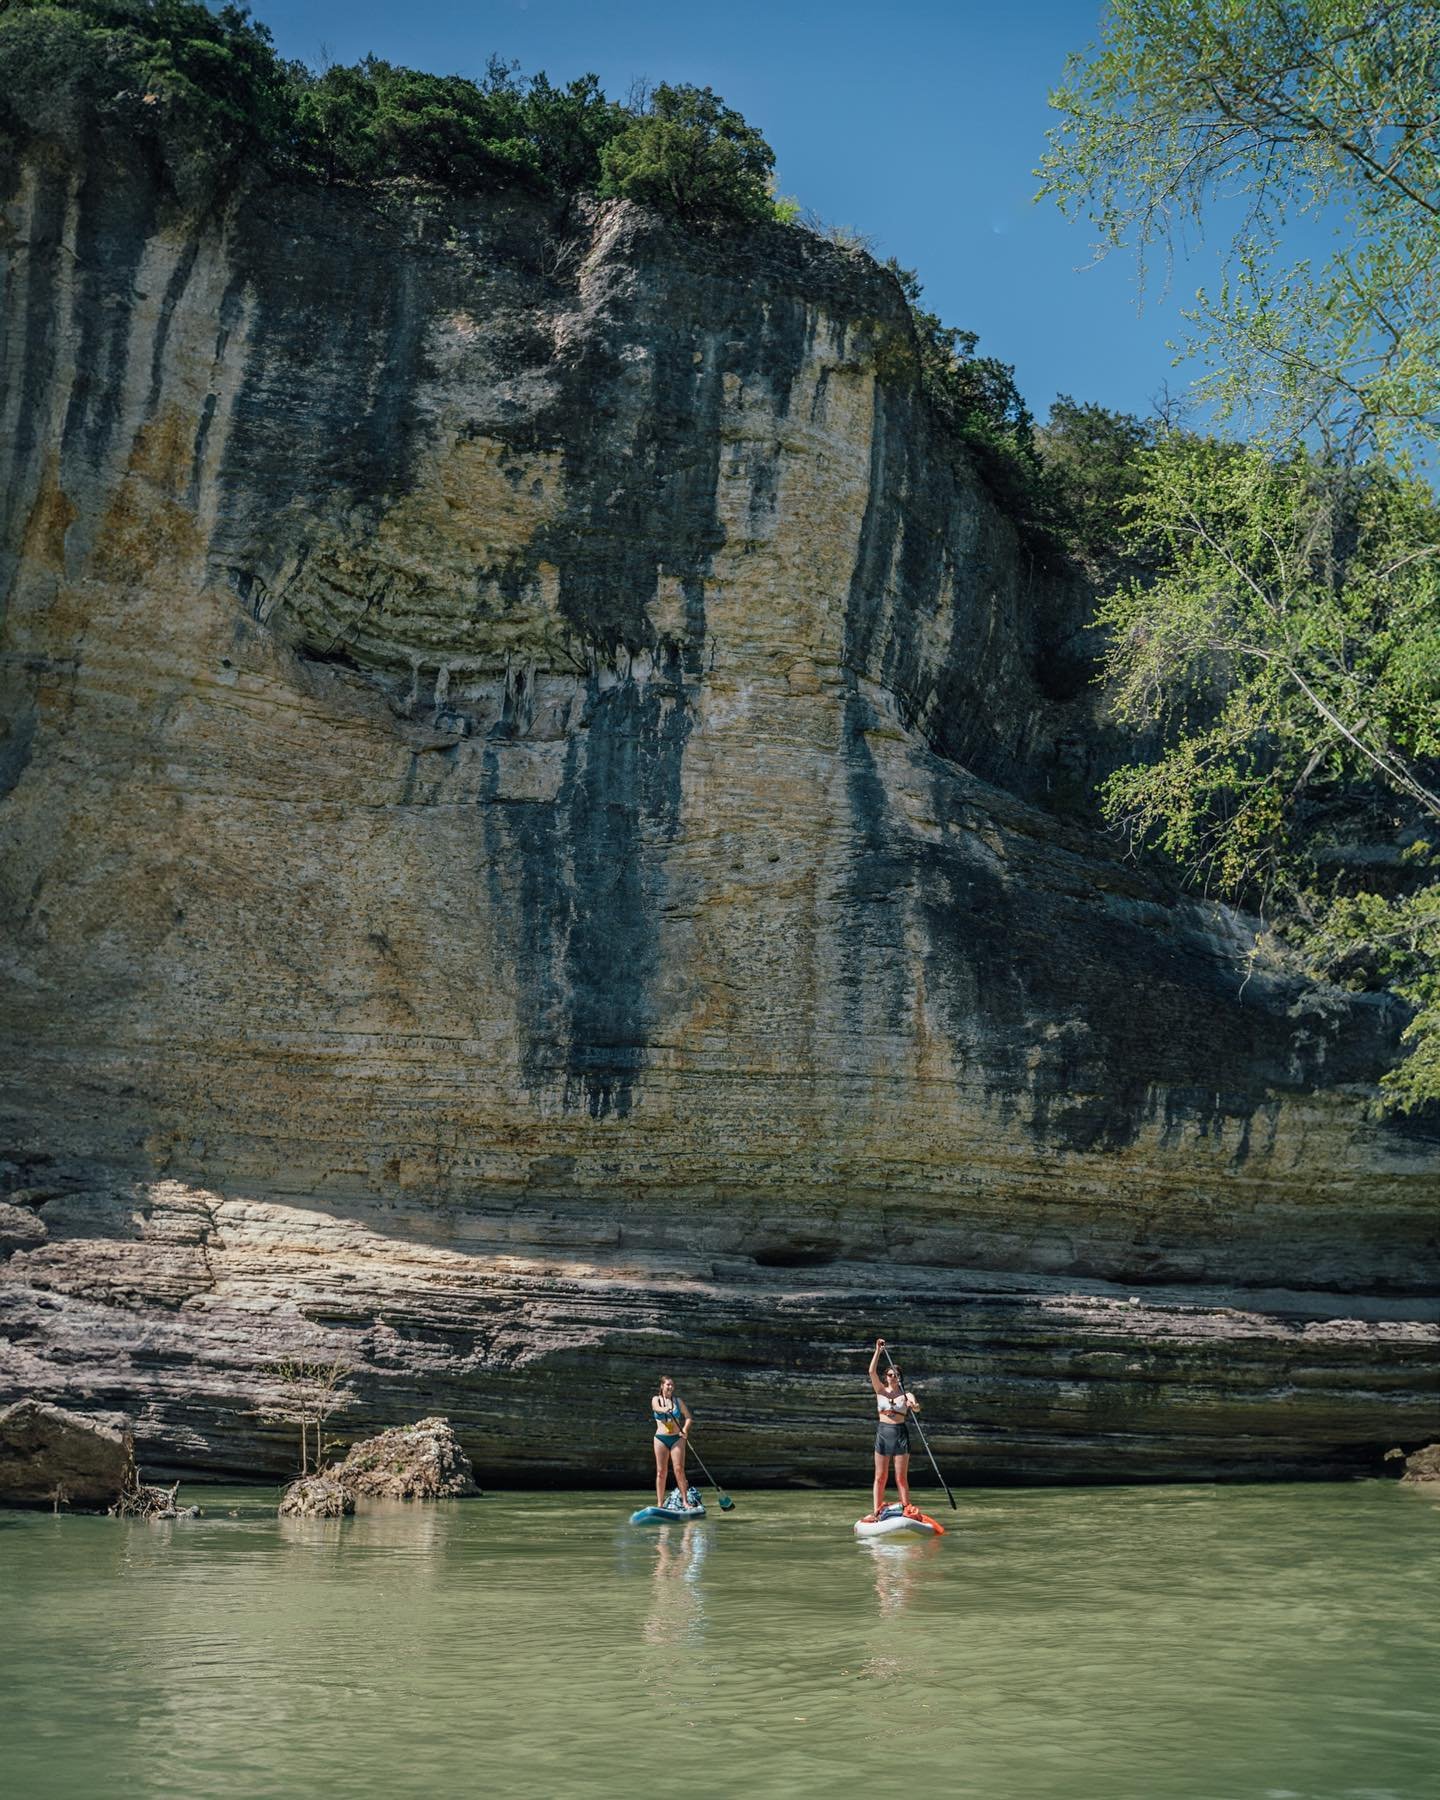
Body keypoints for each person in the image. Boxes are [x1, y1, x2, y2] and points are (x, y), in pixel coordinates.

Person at [862, 1337, 921, 1523]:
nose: (893, 1377)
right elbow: (871, 1371)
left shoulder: (906, 1394)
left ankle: (907, 1509)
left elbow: (917, 1407)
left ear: (900, 1377)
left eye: (896, 1375)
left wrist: (914, 1405)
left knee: (900, 1477)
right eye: (889, 1374)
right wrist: (877, 1351)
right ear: (886, 1377)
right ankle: (877, 1512)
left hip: (900, 1434)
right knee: (880, 1477)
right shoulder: (880, 1390)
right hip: (883, 1433)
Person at [650, 1374, 695, 1509]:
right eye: (667, 1384)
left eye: (672, 1385)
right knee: (661, 1472)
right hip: (660, 1438)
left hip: (677, 1438)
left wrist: (685, 1430)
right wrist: (664, 1409)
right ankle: (659, 1504)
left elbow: (688, 1417)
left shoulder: (678, 1401)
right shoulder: (656, 1399)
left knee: (679, 1469)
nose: (670, 1387)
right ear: (662, 1386)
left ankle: (685, 1502)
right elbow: (656, 1408)